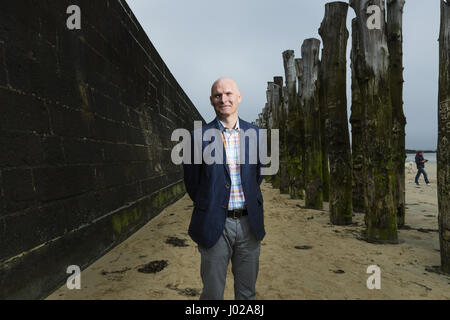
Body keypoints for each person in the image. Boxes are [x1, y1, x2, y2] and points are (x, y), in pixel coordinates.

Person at [183, 77, 265, 300]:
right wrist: (212, 203)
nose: (223, 99)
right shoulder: (196, 138)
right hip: (214, 224)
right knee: (212, 293)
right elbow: (192, 184)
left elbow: (256, 177)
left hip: (250, 225)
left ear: (239, 96)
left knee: (247, 293)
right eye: (218, 95)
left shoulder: (257, 134)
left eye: (228, 94)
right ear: (211, 101)